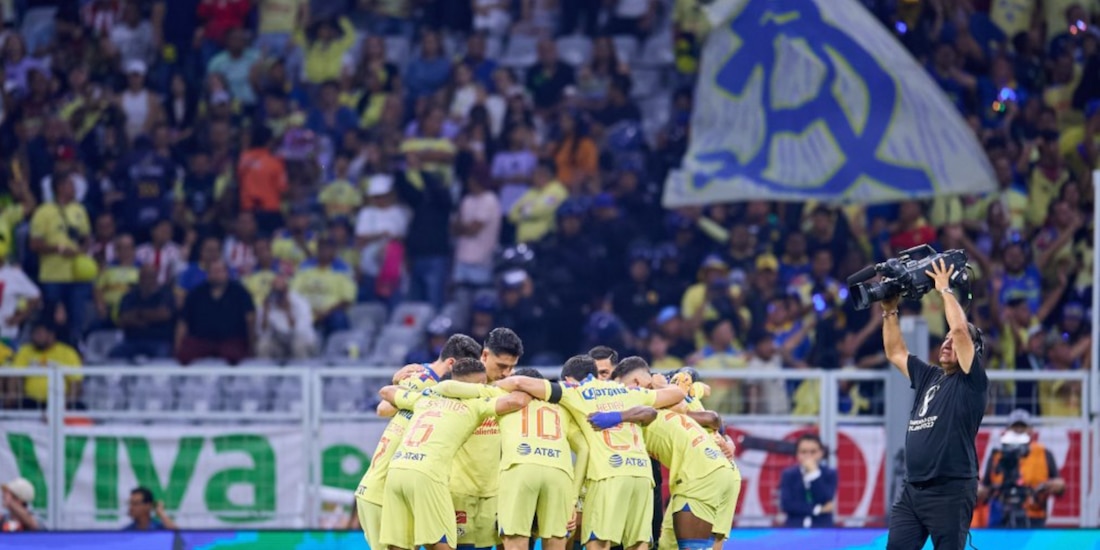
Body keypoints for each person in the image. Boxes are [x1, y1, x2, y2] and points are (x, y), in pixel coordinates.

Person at [496, 355, 687, 550]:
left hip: (607, 473)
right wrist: (657, 382)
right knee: (638, 544)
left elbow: (519, 381)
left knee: (598, 544)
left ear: (569, 380)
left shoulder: (574, 391)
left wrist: (492, 384)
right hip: (642, 475)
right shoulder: (628, 391)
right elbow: (678, 394)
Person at [883, 259, 987, 550]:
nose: (947, 343)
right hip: (912, 489)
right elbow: (895, 353)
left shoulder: (972, 380)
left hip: (950, 489)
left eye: (952, 340)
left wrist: (944, 290)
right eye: (944, 339)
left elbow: (962, 332)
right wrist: (889, 310)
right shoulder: (930, 375)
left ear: (971, 350)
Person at [377, 358, 533, 550]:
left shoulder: (425, 398)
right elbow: (517, 400)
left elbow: (386, 392)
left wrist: (399, 380)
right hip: (428, 474)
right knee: (442, 543)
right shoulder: (474, 406)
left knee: (399, 546)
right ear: (476, 387)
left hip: (397, 470)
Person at [433, 367, 587, 550]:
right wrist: (573, 499)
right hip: (558, 472)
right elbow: (584, 448)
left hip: (518, 468)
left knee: (516, 542)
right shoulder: (561, 405)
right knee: (555, 542)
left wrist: (498, 384)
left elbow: (447, 387)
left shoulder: (502, 395)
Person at [354, 334, 484, 548]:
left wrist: (398, 382)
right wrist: (409, 389)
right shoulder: (426, 380)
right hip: (381, 490)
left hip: (393, 484)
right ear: (452, 364)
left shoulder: (429, 383)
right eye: (464, 369)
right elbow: (383, 408)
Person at [606, 358, 740, 550]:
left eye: (621, 387)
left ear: (636, 383)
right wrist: (726, 440)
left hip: (699, 474)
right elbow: (711, 414)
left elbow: (711, 416)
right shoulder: (676, 397)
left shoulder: (640, 407)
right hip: (723, 469)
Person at [974, 409, 1065, 528]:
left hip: (1033, 515)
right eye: (1015, 427)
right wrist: (978, 492)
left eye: (1023, 427)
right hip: (1001, 513)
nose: (1019, 430)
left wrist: (1050, 486)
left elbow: (1059, 483)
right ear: (1007, 430)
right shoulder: (997, 454)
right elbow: (986, 485)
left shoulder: (1044, 453)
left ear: (1031, 430)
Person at [175, 259, 255, 365]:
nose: (216, 274)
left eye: (220, 271)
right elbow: (183, 322)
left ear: (227, 273)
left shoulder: (240, 293)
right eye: (213, 271)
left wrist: (252, 346)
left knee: (235, 355)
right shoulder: (195, 294)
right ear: (208, 274)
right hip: (201, 340)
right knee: (184, 355)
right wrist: (177, 347)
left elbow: (250, 319)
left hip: (230, 341)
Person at [10, 322, 84, 409]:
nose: (35, 337)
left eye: (39, 334)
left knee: (79, 408)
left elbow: (75, 382)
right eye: (34, 334)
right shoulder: (25, 351)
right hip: (31, 401)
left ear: (51, 335)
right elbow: (14, 376)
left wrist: (65, 405)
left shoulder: (68, 353)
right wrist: (12, 396)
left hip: (59, 402)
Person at [111, 264, 176, 360]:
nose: (147, 279)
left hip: (159, 340)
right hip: (132, 340)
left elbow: (164, 314)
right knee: (114, 356)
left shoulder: (165, 293)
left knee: (163, 354)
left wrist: (138, 314)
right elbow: (122, 319)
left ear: (156, 277)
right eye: (144, 276)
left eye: (150, 276)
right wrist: (151, 317)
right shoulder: (130, 296)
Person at [779, 434, 837, 528]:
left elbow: (826, 498)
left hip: (822, 528)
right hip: (795, 527)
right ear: (797, 454)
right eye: (803, 452)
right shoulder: (789, 475)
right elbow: (787, 505)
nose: (808, 456)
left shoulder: (830, 474)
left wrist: (813, 475)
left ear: (821, 453)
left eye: (813, 452)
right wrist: (817, 509)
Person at [257, 274, 316, 361]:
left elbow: (302, 331)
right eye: (275, 289)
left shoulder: (300, 302)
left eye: (280, 290)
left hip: (303, 341)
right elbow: (262, 333)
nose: (278, 293)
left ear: (286, 290)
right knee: (263, 345)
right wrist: (265, 314)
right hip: (279, 342)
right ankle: (265, 374)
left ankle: (301, 373)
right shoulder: (268, 303)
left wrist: (288, 312)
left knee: (297, 345)